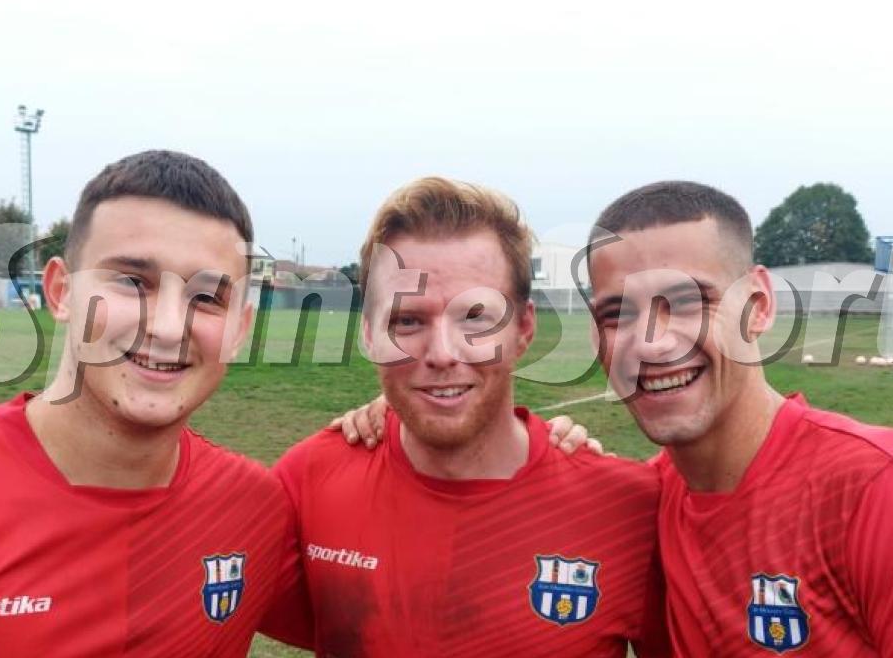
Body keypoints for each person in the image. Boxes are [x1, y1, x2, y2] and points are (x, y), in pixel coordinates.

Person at [0, 150, 320, 656]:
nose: (169, 325)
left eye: (207, 298)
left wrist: (409, 429)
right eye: (133, 282)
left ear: (239, 330)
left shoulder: (253, 509)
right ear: (60, 291)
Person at [585, 180, 893, 656]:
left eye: (689, 302)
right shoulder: (645, 509)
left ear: (759, 305)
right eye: (617, 314)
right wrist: (565, 467)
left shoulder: (887, 489)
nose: (650, 341)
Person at [274, 177, 668, 656]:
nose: (442, 353)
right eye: (409, 320)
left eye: (475, 317)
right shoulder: (307, 481)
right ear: (370, 335)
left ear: (523, 328)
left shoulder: (629, 508)